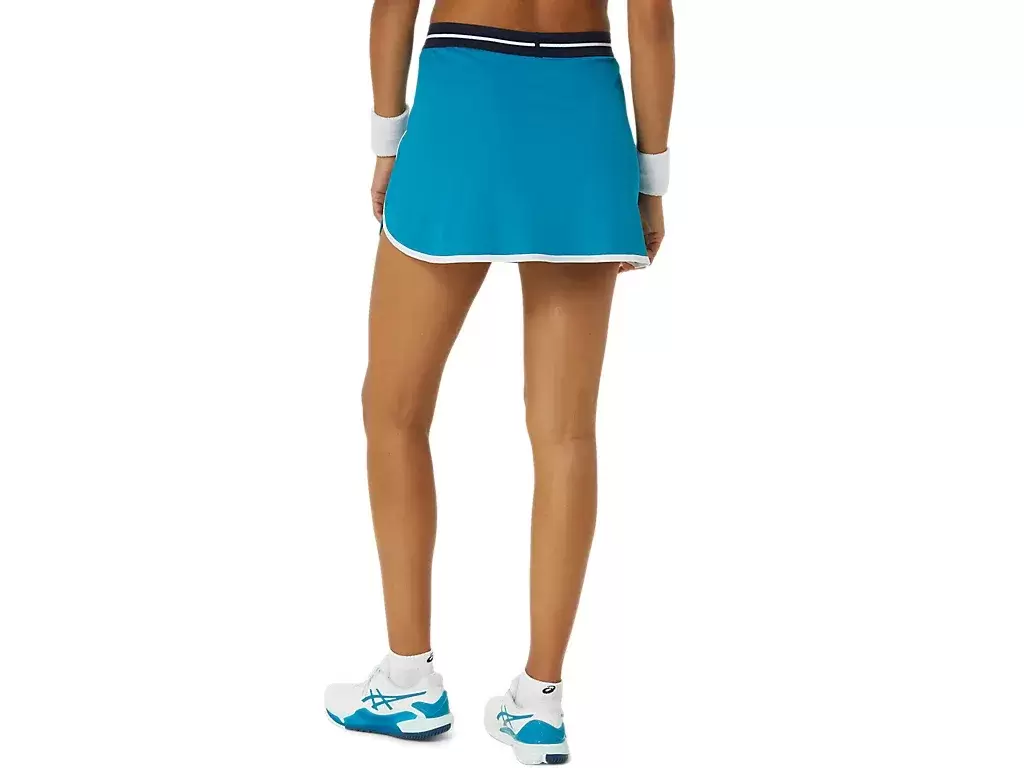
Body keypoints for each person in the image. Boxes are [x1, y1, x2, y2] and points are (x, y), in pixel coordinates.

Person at [325, 0, 674, 763]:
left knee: (393, 409)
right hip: (584, 117)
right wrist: (652, 180)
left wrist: (387, 141)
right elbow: (651, 19)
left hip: (462, 108)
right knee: (566, 432)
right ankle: (539, 703)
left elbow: (393, 7)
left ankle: (409, 681)